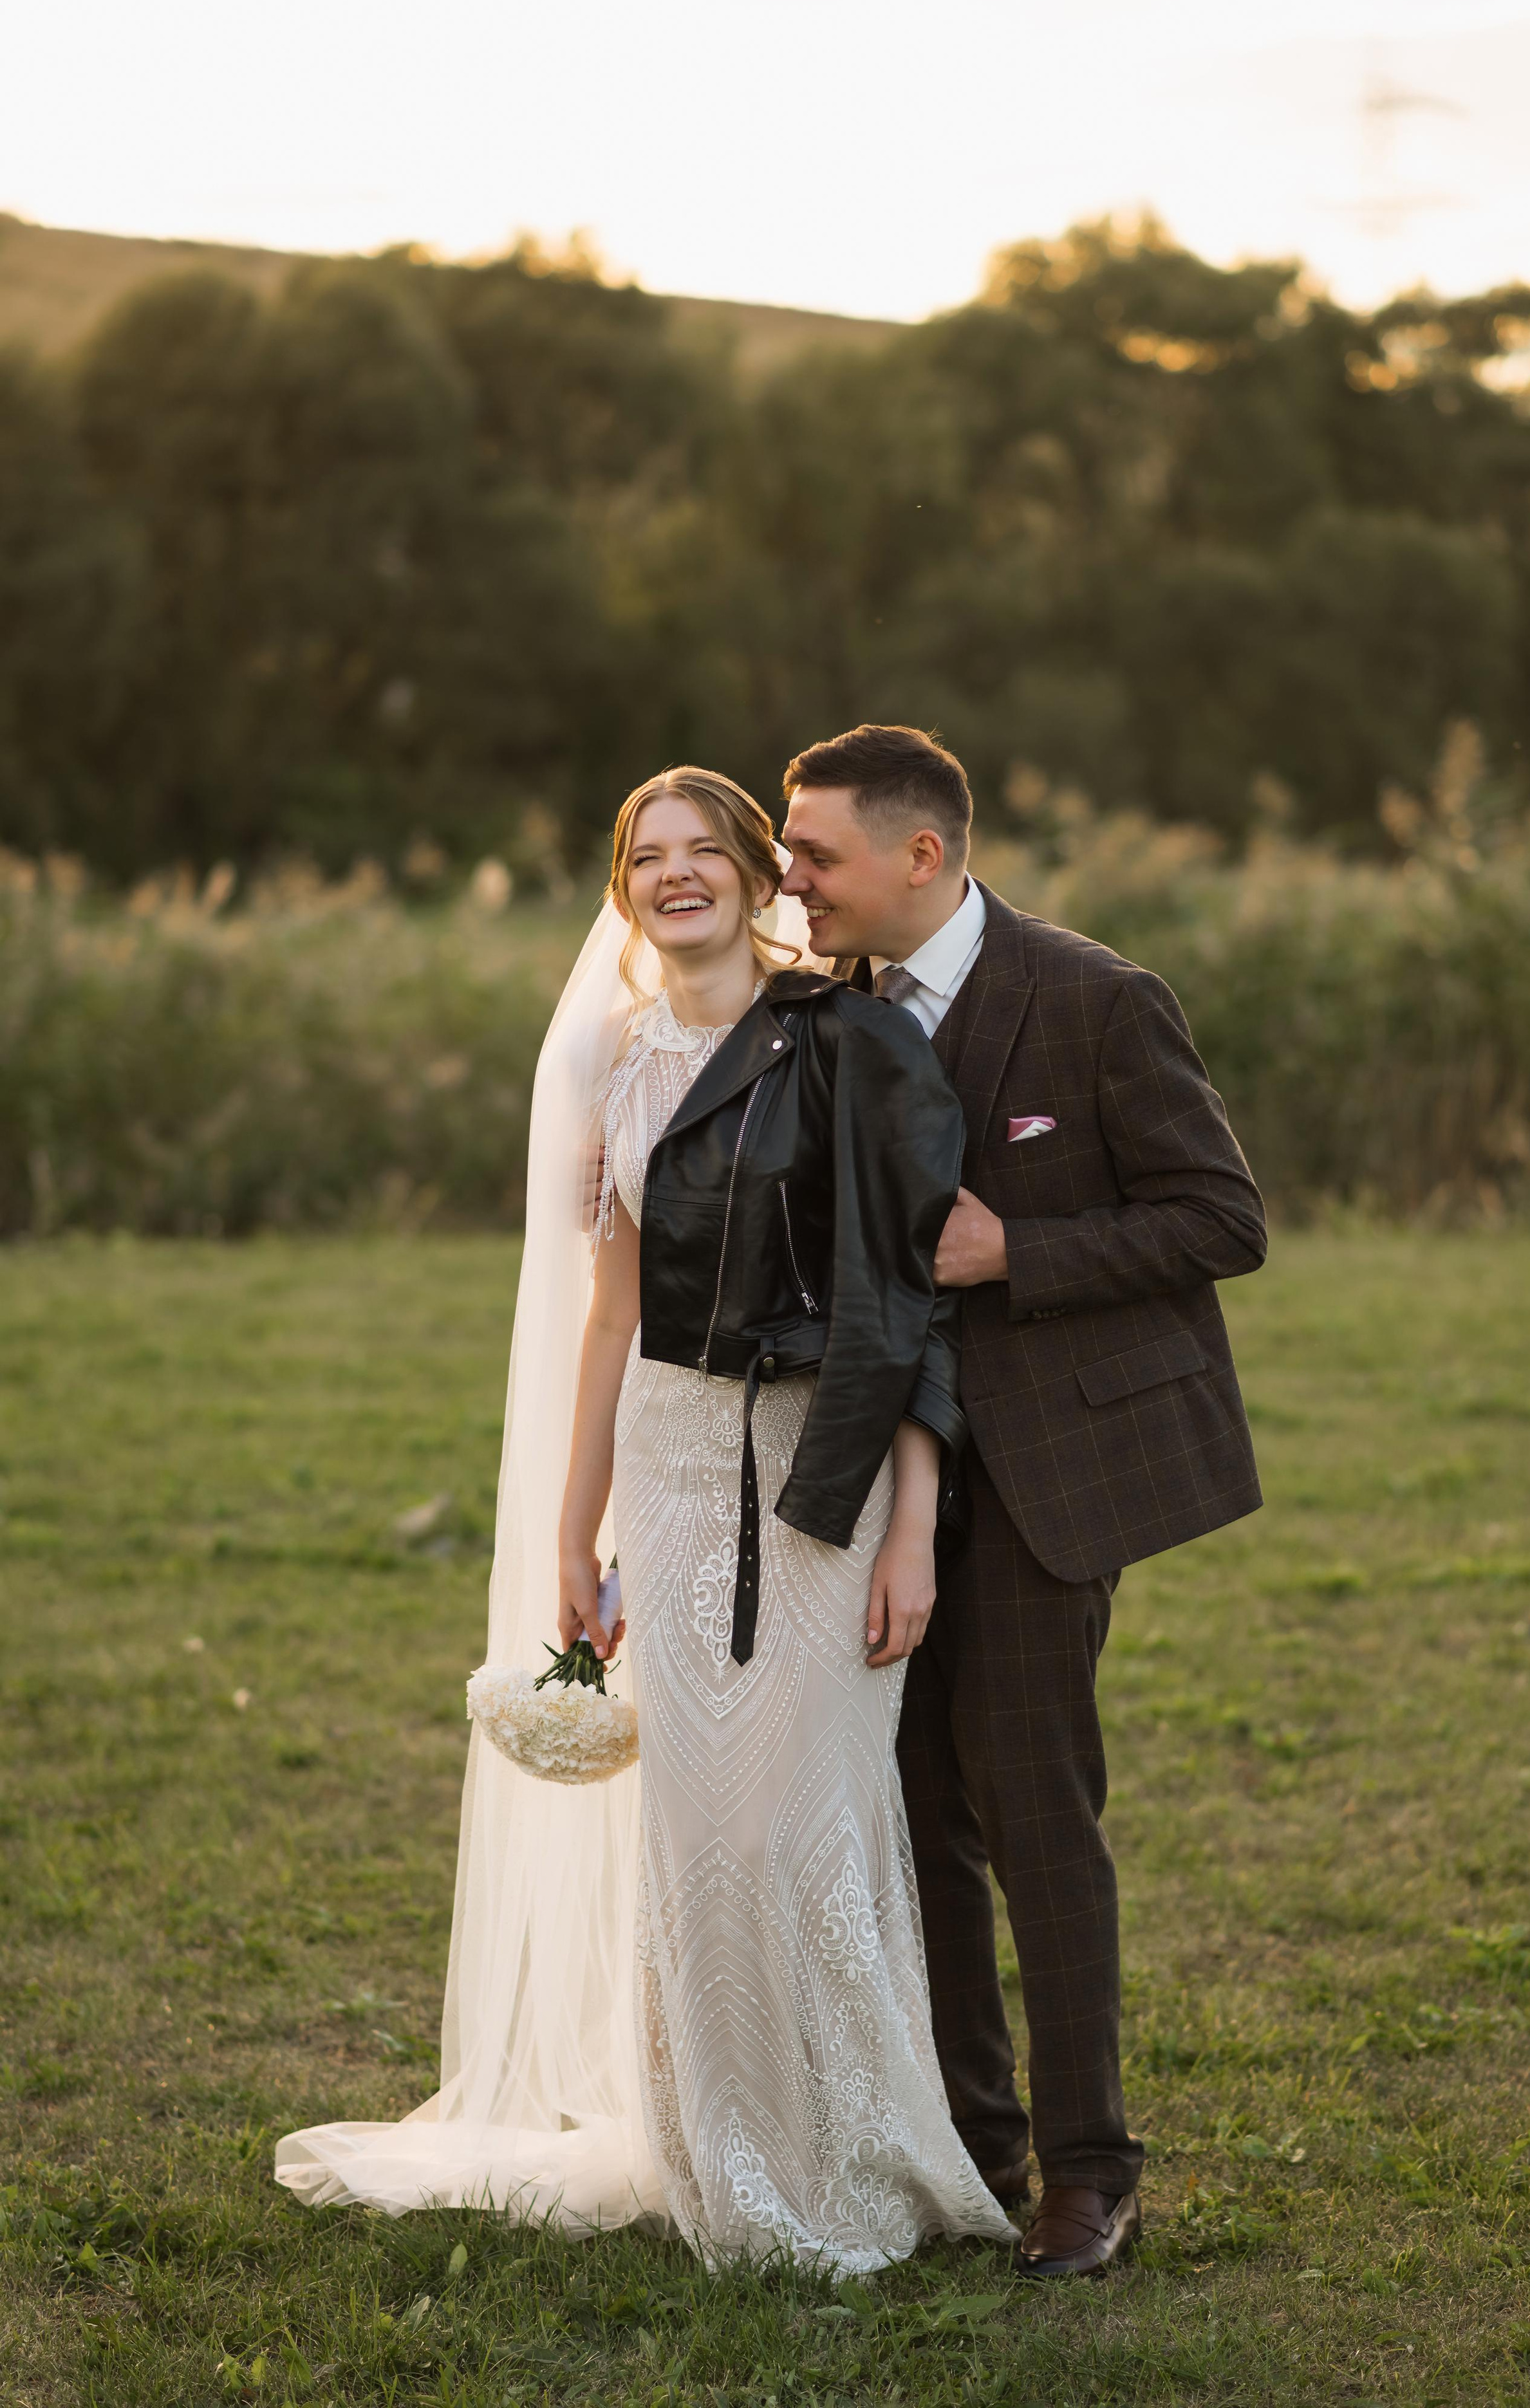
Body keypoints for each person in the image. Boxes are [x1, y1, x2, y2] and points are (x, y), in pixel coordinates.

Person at [277, 765, 1011, 2277]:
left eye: (704, 853)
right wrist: (571, 1532)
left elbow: (910, 1298)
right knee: (692, 1837)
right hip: (673, 1474)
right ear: (624, 890)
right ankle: (714, 2164)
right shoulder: (614, 1058)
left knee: (803, 1817)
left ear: (756, 873)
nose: (676, 877)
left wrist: (912, 1528)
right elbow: (608, 1317)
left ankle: (852, 2156)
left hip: (830, 1464)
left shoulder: (848, 1039)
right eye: (645, 857)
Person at [780, 724, 1267, 2281]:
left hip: (1053, 1474)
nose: (792, 879)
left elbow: (1219, 1218)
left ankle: (1089, 2172)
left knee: (1032, 1817)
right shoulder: (819, 1016)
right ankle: (969, 2142)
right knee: (912, 1816)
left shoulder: (1094, 999)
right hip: (878, 1483)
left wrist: (1020, 1256)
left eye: (816, 855)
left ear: (920, 855)